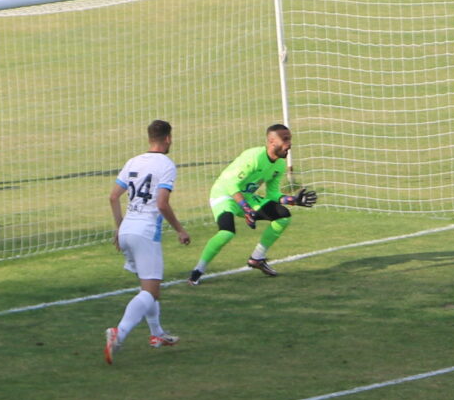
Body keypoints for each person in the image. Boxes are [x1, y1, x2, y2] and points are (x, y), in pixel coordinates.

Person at [104, 119, 191, 364]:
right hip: (145, 231)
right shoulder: (166, 165)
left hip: (127, 229)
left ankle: (157, 335)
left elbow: (113, 197)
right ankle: (118, 333)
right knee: (151, 291)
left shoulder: (133, 161)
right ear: (168, 138)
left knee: (149, 288)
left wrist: (119, 228)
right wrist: (180, 230)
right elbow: (162, 204)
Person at [188, 123, 315, 283]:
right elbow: (231, 185)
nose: (289, 143)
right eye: (285, 139)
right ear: (271, 141)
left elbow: (272, 193)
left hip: (245, 196)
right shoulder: (254, 157)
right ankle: (197, 271)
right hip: (224, 194)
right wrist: (247, 209)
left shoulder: (279, 164)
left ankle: (257, 258)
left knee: (283, 216)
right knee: (227, 232)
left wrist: (292, 200)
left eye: (290, 139)